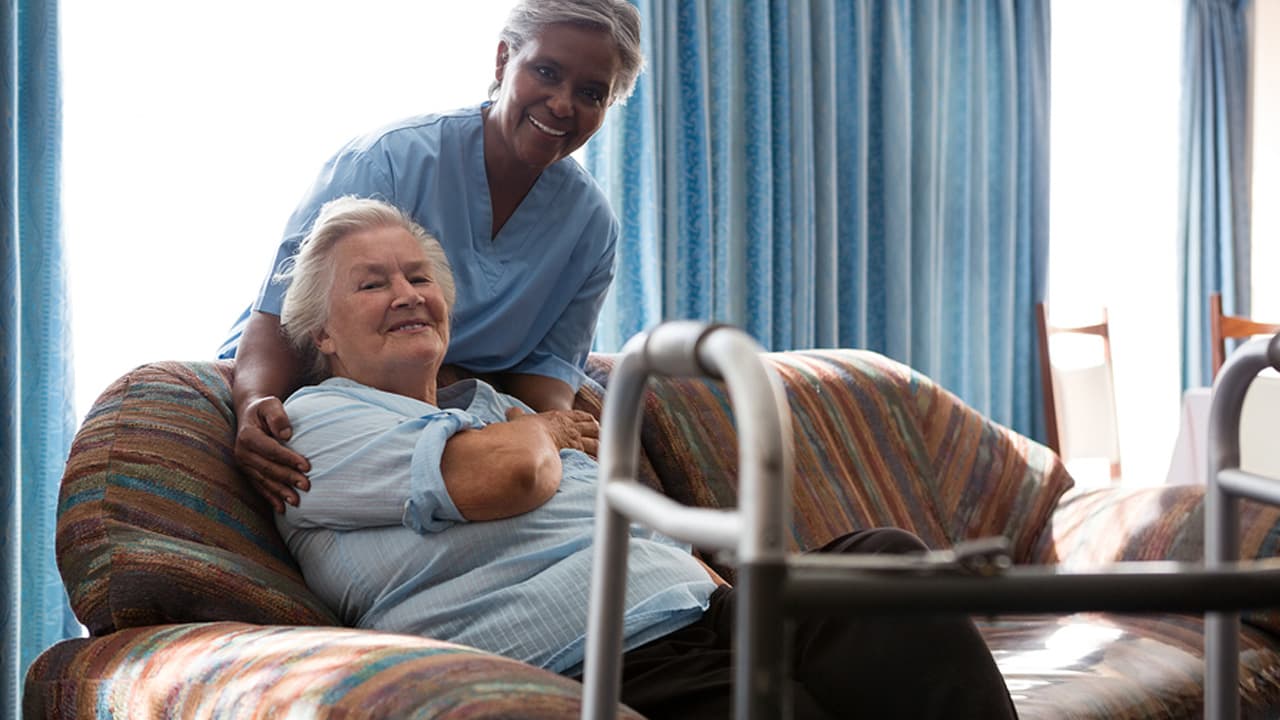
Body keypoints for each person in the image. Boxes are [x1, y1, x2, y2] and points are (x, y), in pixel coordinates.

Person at [274, 196, 1020, 720]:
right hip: (591, 652)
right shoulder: (317, 422)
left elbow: (626, 523)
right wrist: (550, 431)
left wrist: (717, 587)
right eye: (372, 284)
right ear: (323, 334)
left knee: (889, 571)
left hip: (701, 611)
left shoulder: (490, 408)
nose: (406, 294)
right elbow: (506, 476)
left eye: (418, 277)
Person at [220, 0, 643, 513]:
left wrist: (547, 434)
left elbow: (547, 379)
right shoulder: (387, 161)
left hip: (464, 416)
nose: (561, 103)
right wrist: (252, 403)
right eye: (546, 72)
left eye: (591, 93)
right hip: (336, 392)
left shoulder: (591, 226)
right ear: (504, 60)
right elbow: (280, 311)